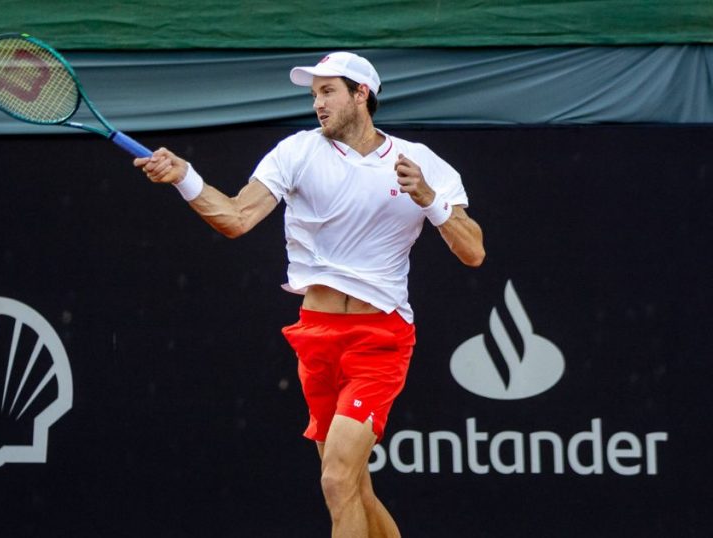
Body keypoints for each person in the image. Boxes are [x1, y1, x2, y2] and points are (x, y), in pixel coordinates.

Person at [134, 51, 485, 538]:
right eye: (313, 94)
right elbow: (237, 217)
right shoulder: (296, 151)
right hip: (316, 336)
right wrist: (185, 179)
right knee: (355, 488)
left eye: (328, 92)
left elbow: (473, 252)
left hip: (379, 339)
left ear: (362, 94)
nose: (317, 103)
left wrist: (430, 199)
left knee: (336, 480)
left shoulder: (420, 162)